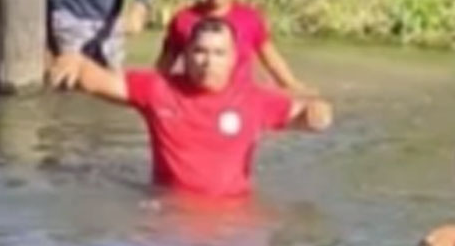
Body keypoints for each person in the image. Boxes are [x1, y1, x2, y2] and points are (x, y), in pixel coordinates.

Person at [48, 17, 332, 197]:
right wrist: (75, 62)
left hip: (233, 229)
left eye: (219, 53)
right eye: (200, 52)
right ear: (185, 55)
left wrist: (317, 113)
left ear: (235, 58)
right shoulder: (159, 89)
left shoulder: (253, 100)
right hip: (168, 217)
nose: (208, 62)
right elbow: (101, 81)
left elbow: (304, 114)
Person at [156, 0, 312, 94]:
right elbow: (163, 68)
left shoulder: (251, 19)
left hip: (240, 105)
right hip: (195, 102)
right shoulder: (183, 20)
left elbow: (271, 60)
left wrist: (293, 86)